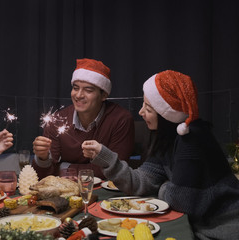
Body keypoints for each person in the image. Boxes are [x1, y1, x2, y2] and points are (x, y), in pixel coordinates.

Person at [82, 70, 239, 239]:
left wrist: (163, 186)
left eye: (148, 108)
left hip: (222, 229)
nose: (141, 112)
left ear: (166, 114)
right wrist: (105, 156)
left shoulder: (191, 138)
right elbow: (141, 182)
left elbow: (181, 201)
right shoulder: (167, 138)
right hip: (200, 226)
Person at [32, 58, 135, 179]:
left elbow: (118, 171)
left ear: (104, 95)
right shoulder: (57, 121)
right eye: (75, 88)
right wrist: (42, 158)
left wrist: (64, 168)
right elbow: (44, 176)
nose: (79, 95)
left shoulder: (120, 119)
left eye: (88, 90)